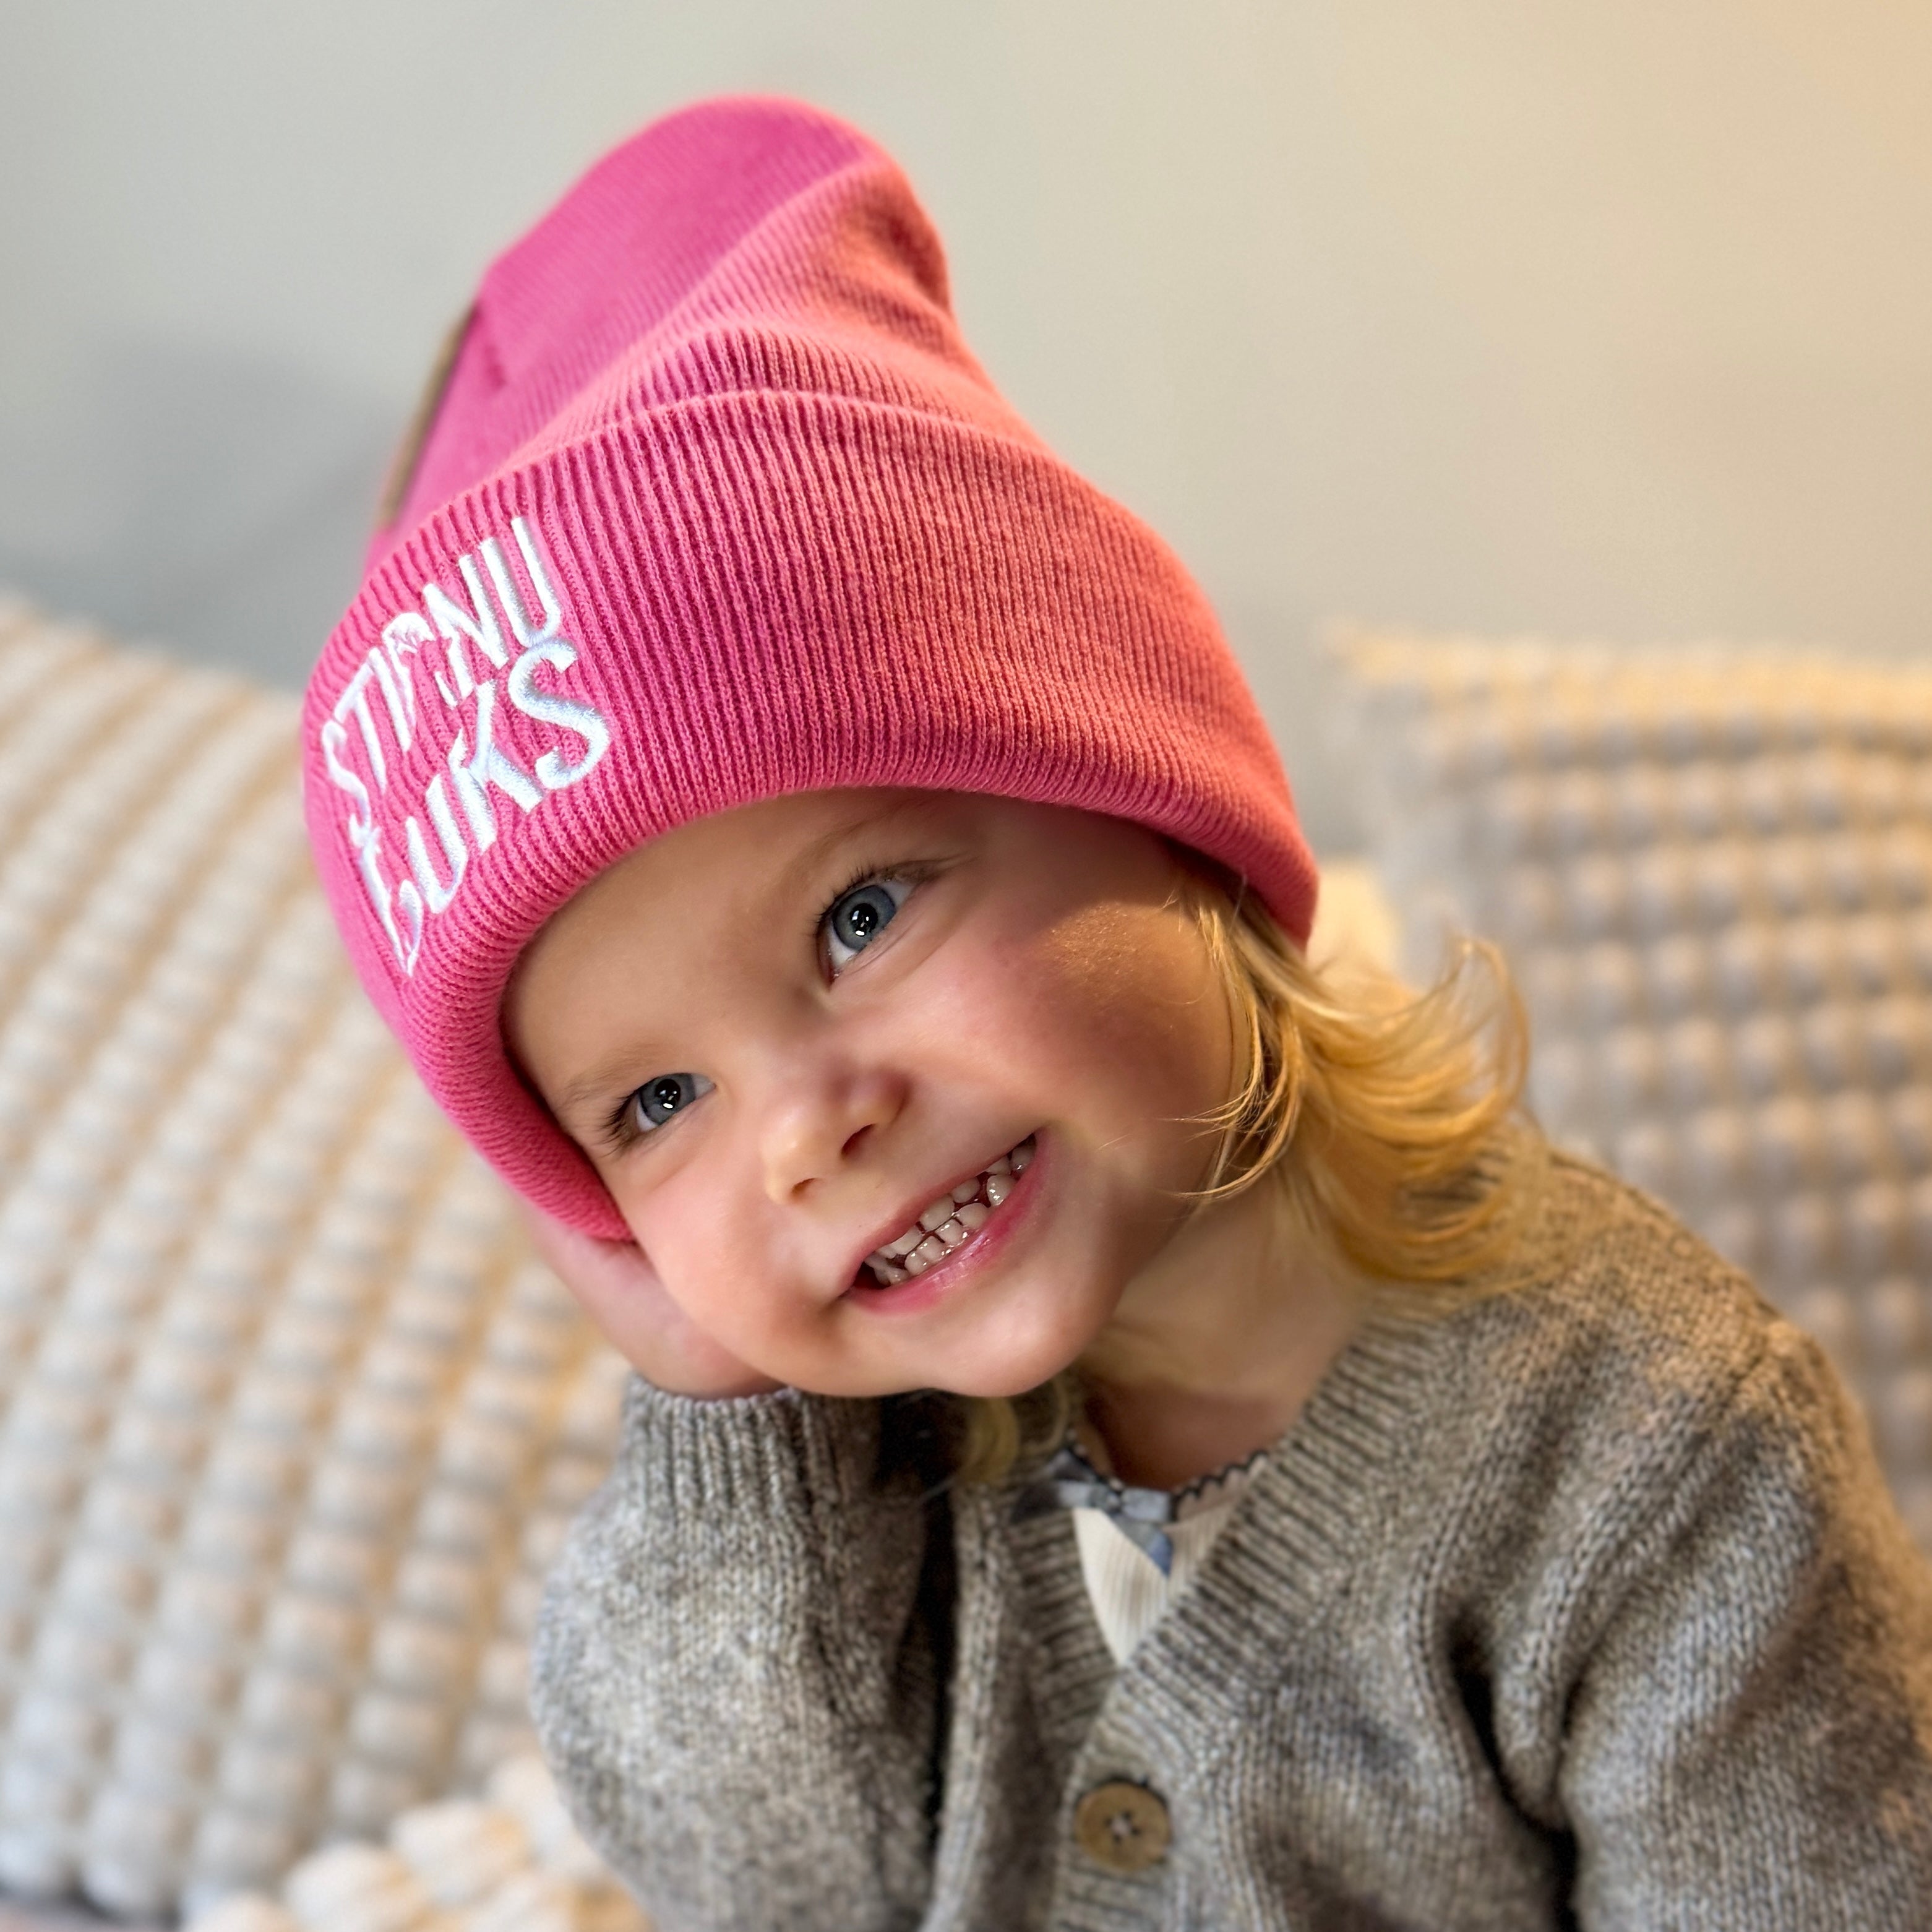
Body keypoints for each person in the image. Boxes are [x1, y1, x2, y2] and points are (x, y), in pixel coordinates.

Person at [303, 95, 1932, 1931]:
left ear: (1151, 797)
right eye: (653, 1102)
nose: (796, 1129)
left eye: (857, 915)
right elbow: (762, 1885)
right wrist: (719, 1394)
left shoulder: (1653, 1459)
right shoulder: (848, 1458)